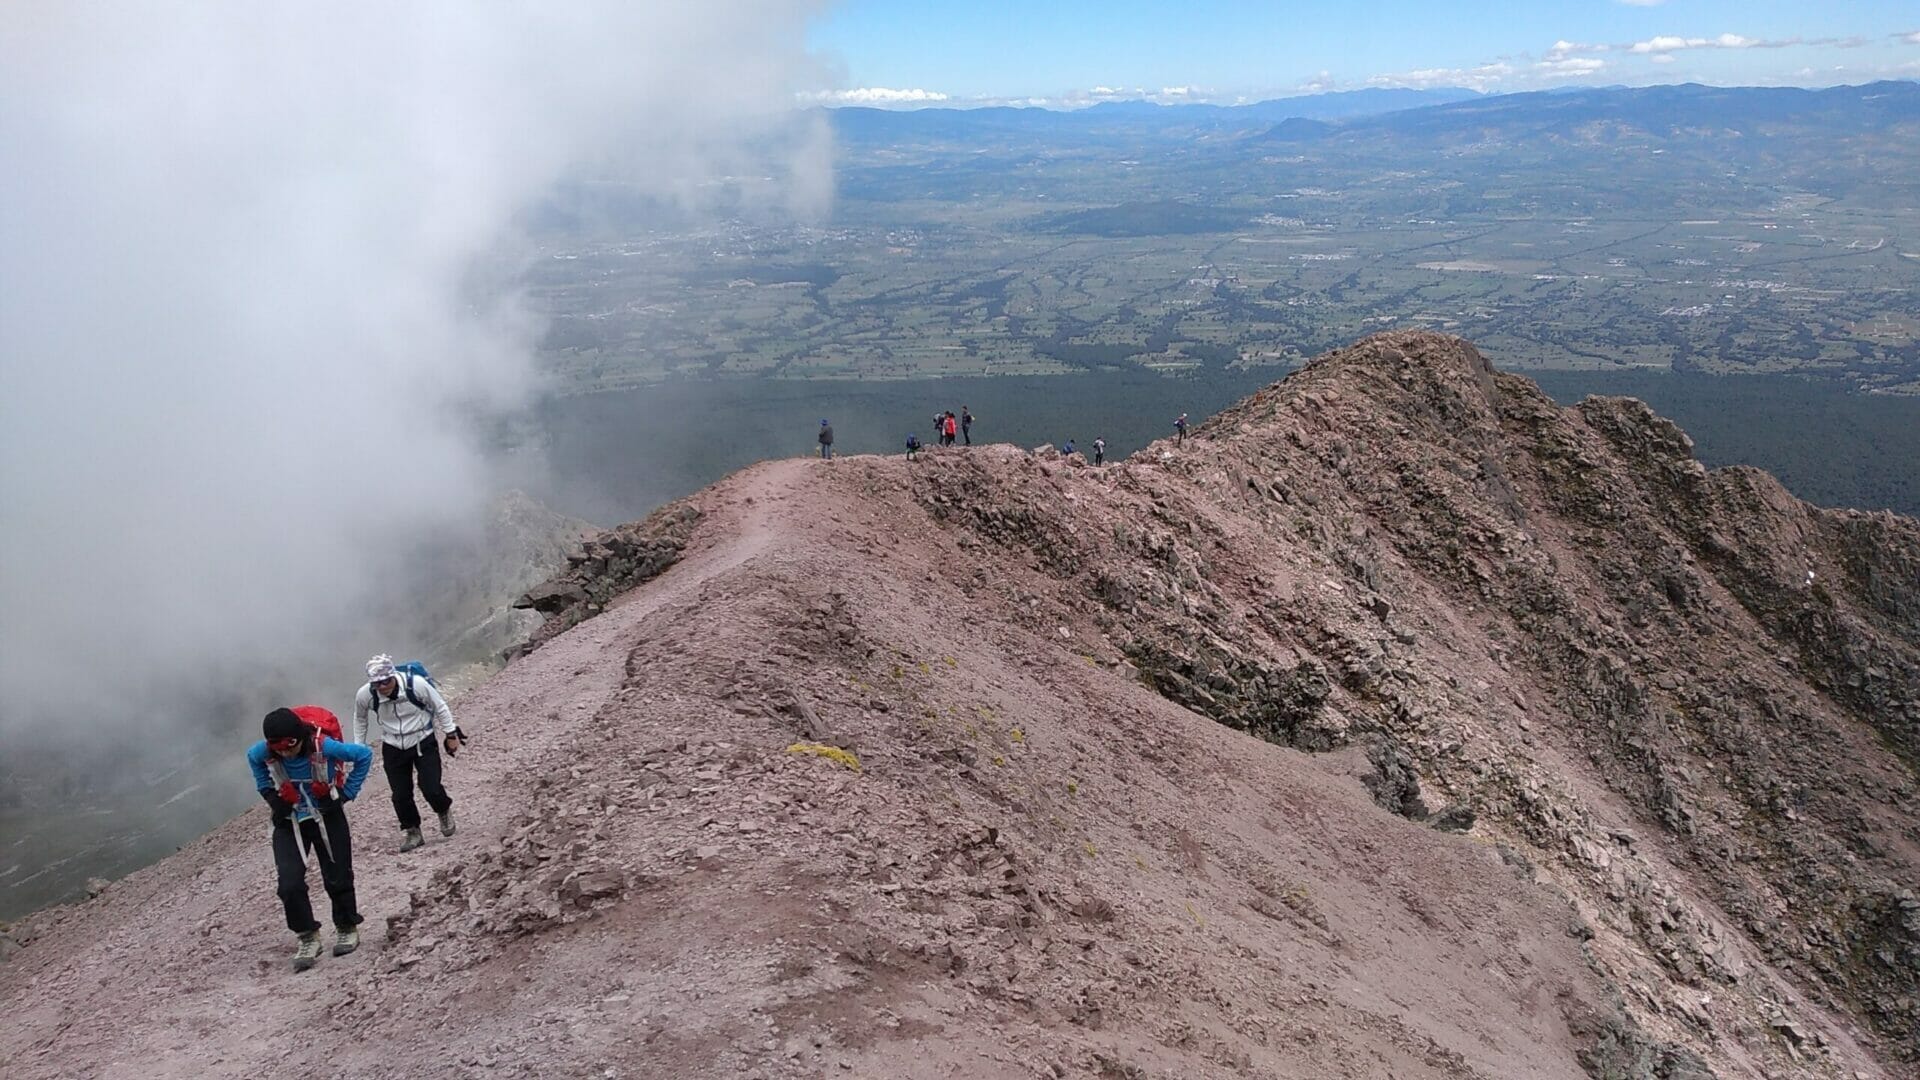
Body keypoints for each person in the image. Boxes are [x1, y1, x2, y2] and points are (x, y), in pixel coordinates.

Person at [248, 707, 373, 971]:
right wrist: (270, 797)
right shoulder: (263, 752)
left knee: (337, 873)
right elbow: (254, 762)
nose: (284, 753)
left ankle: (346, 926)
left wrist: (347, 792)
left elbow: (364, 755)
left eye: (289, 746)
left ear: (300, 737)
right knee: (288, 883)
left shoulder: (324, 746)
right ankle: (307, 935)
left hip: (327, 813)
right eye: (278, 748)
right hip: (289, 819)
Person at [355, 654, 461, 852]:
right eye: (377, 683)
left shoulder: (416, 685)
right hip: (392, 744)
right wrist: (359, 747)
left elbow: (440, 707)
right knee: (400, 794)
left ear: (393, 675)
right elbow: (360, 719)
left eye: (385, 681)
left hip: (423, 738)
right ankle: (413, 831)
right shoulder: (365, 695)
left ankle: (443, 809)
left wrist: (451, 734)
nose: (382, 687)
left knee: (431, 787)